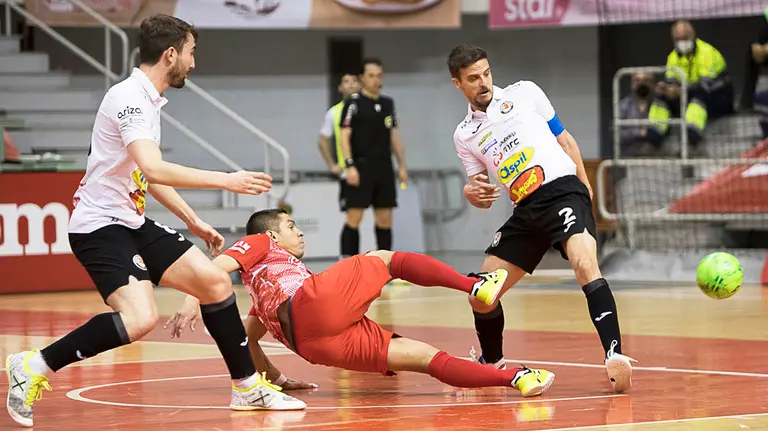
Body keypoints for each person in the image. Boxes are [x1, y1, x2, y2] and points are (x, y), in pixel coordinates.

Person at [4, 14, 304, 428]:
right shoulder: (129, 99)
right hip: (99, 227)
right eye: (191, 52)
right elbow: (154, 167)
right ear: (170, 54)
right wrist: (227, 180)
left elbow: (143, 174)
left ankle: (247, 387)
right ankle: (34, 364)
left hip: (130, 220)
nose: (194, 63)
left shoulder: (146, 99)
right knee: (140, 319)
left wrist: (192, 220)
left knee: (216, 284)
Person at [166, 208, 557, 397]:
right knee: (384, 259)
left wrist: (281, 380)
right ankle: (474, 286)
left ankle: (517, 377)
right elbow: (213, 268)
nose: (299, 232)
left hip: (313, 346)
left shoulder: (261, 300)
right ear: (271, 233)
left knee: (424, 357)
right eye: (290, 226)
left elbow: (248, 342)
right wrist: (191, 299)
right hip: (312, 305)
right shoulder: (259, 242)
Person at [446, 43, 635, 393]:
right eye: (473, 78)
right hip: (525, 211)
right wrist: (471, 194)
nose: (484, 82)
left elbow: (564, 139)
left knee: (584, 264)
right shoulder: (464, 135)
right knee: (480, 295)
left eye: (486, 73)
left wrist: (585, 188)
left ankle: (615, 355)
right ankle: (492, 363)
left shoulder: (525, 92)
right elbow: (480, 192)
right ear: (458, 83)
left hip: (563, 190)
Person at [339, 58, 407, 257]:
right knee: (354, 216)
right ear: (362, 78)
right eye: (371, 75)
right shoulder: (353, 103)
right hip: (361, 166)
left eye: (379, 75)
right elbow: (344, 134)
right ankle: (348, 263)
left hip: (384, 167)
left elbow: (394, 134)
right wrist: (349, 165)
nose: (376, 79)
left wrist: (402, 165)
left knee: (385, 219)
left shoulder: (387, 103)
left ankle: (385, 266)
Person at [646, 20, 733, 153]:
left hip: (719, 97)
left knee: (699, 97)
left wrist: (681, 91)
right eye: (678, 39)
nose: (682, 42)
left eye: (685, 38)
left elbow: (706, 84)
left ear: (693, 36)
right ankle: (652, 141)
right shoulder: (673, 57)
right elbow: (671, 80)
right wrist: (666, 89)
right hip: (688, 94)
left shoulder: (706, 52)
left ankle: (691, 141)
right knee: (661, 99)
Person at [317, 73, 360, 178]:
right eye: (346, 81)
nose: (351, 84)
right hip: (347, 172)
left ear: (360, 85)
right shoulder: (334, 112)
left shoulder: (370, 108)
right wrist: (331, 165)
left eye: (354, 80)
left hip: (370, 170)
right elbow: (322, 140)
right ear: (340, 88)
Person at [618, 71, 656, 156]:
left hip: (656, 156)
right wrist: (640, 133)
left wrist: (651, 134)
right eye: (637, 81)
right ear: (632, 84)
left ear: (652, 84)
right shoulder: (623, 106)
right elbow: (617, 135)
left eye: (646, 80)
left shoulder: (660, 105)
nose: (641, 84)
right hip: (630, 156)